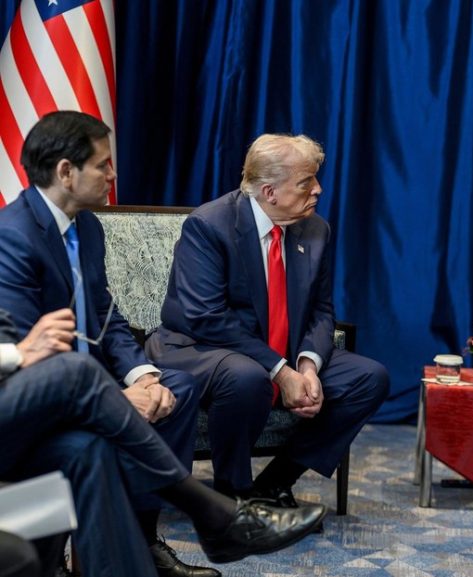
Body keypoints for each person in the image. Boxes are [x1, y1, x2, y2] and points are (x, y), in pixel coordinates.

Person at [0, 111, 214, 577]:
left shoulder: (88, 227)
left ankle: (143, 533)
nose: (114, 175)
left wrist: (143, 375)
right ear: (65, 172)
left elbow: (106, 313)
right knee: (84, 443)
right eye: (103, 164)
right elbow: (29, 355)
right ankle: (202, 511)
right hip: (41, 391)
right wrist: (114, 397)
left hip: (84, 375)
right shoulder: (13, 235)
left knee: (176, 388)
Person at [146, 133, 390, 505]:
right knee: (247, 376)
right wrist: (281, 371)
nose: (318, 189)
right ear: (269, 192)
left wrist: (307, 366)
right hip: (200, 348)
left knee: (369, 377)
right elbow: (207, 317)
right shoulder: (210, 225)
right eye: (306, 182)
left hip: (278, 352)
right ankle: (233, 497)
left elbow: (321, 310)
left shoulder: (315, 230)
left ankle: (273, 484)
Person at [0, 307, 327, 577]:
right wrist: (17, 354)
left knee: (95, 442)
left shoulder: (83, 247)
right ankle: (214, 514)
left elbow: (105, 315)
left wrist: (143, 379)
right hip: (33, 382)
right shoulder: (17, 247)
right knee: (78, 375)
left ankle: (153, 541)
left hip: (39, 381)